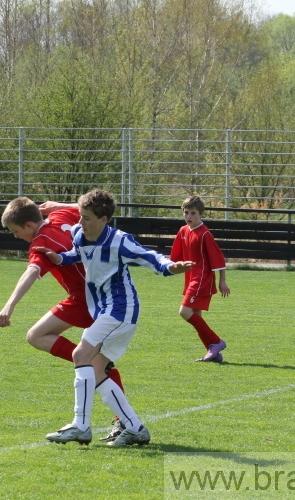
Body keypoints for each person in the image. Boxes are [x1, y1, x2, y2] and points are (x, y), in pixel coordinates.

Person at [36, 189, 193, 446]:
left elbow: (148, 256)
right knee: (96, 369)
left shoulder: (119, 240)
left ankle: (81, 425)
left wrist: (169, 266)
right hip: (106, 310)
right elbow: (79, 254)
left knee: (80, 355)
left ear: (104, 219)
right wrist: (61, 258)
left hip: (120, 309)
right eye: (80, 216)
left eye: (86, 218)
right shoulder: (79, 234)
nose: (81, 222)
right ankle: (134, 427)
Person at [0, 197, 125, 442]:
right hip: (103, 292)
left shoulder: (41, 243)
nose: (15, 236)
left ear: (30, 225)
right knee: (41, 337)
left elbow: (31, 273)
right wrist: (60, 206)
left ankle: (95, 370)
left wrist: (8, 307)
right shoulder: (60, 217)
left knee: (37, 336)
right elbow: (90, 210)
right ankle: (94, 363)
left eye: (16, 231)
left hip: (85, 299)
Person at [170, 195, 231, 362]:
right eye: (186, 212)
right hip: (191, 279)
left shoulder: (205, 234)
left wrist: (222, 280)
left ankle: (216, 342)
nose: (189, 216)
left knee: (184, 312)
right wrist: (163, 267)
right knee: (196, 315)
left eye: (193, 213)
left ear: (201, 214)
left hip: (202, 280)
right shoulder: (183, 231)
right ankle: (213, 352)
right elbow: (175, 256)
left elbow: (218, 258)